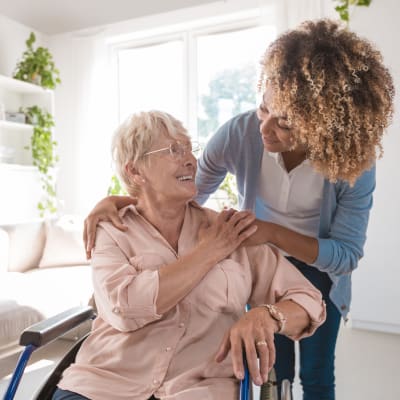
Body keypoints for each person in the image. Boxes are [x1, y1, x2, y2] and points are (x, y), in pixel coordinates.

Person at [83, 19, 394, 400]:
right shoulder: (240, 133)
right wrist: (126, 199)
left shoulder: (352, 165)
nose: (265, 129)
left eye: (286, 125)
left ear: (323, 129)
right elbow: (185, 196)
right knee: (268, 373)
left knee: (315, 376)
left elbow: (345, 255)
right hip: (254, 263)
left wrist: (270, 232)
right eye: (264, 108)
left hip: (318, 271)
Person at [54, 111, 325, 400]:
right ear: (135, 171)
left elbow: (310, 302)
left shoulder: (232, 231)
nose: (191, 160)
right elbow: (125, 309)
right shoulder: (111, 229)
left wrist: (267, 315)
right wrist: (209, 252)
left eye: (189, 149)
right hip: (104, 385)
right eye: (174, 150)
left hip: (197, 390)